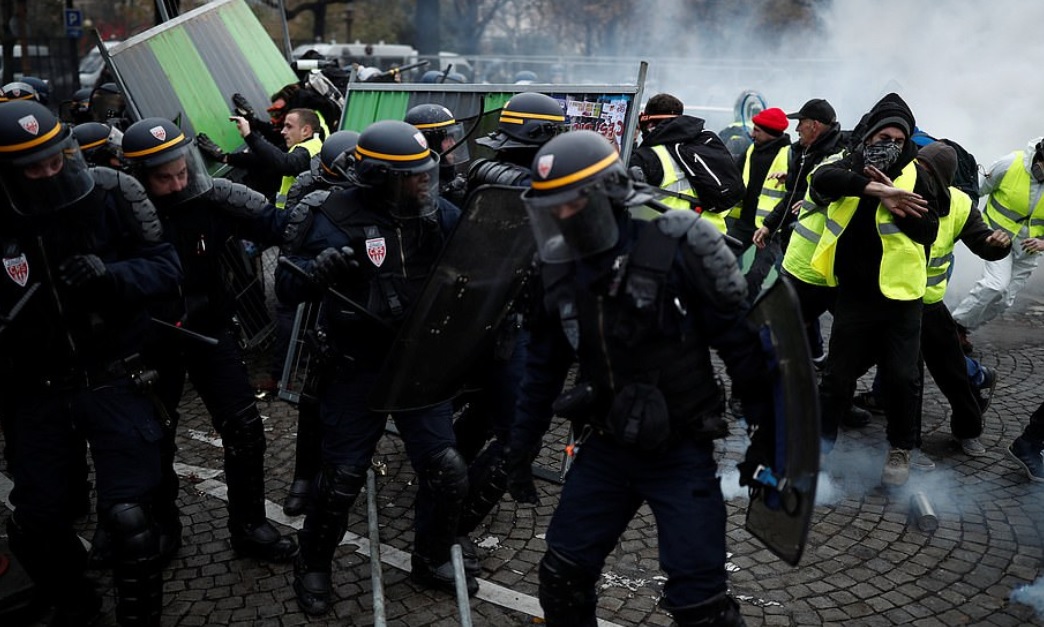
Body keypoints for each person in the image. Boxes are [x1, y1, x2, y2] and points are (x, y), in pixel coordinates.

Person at [519, 129, 773, 626]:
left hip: (681, 449)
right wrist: (520, 445)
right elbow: (542, 368)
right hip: (605, 444)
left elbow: (744, 348)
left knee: (701, 608)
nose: (562, 216)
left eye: (572, 203)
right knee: (562, 577)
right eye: (552, 207)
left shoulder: (676, 246)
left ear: (609, 193)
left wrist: (766, 436)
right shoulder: (556, 264)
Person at [277, 120, 472, 615]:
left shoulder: (438, 212)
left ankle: (430, 556)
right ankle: (312, 563)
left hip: (417, 364)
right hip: (356, 367)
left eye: (427, 172)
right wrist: (316, 272)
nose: (425, 181)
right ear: (380, 178)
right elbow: (286, 287)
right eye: (413, 176)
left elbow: (471, 266)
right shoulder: (329, 215)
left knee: (446, 469)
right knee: (341, 479)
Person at [0, 100, 182, 625]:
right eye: (34, 169)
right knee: (36, 520)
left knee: (130, 518)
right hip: (35, 385)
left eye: (55, 161)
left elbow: (165, 267)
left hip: (112, 373)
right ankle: (76, 603)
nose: (49, 174)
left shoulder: (111, 193)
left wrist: (112, 274)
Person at [120, 117, 298, 564]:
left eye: (183, 172)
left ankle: (249, 526)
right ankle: (163, 526)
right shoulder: (122, 217)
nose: (178, 184)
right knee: (156, 437)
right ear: (140, 178)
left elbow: (278, 227)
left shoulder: (208, 200)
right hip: (153, 340)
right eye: (165, 179)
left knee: (245, 429)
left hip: (210, 331)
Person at [808, 93, 940, 487]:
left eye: (900, 140)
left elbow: (930, 229)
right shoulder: (848, 163)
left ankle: (901, 448)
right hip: (856, 293)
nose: (892, 146)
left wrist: (902, 211)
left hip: (903, 295)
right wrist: (878, 191)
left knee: (902, 377)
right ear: (868, 135)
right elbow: (821, 182)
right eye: (885, 137)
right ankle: (819, 447)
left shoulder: (919, 174)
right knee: (837, 377)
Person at [854, 142, 1009, 460]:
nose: (917, 174)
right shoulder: (896, 191)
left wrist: (997, 245)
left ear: (940, 178)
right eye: (916, 167)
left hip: (930, 306)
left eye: (924, 170)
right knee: (900, 377)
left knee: (954, 374)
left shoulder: (960, 204)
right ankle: (907, 446)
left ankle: (968, 430)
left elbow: (982, 241)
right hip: (895, 304)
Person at [279, 128, 360, 517]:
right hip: (323, 307)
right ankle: (304, 476)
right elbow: (289, 261)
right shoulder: (312, 199)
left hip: (368, 308)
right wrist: (317, 270)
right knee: (314, 397)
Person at [752, 98, 845, 360]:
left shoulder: (839, 155)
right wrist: (769, 225)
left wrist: (815, 195)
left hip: (827, 260)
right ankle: (815, 360)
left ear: (815, 125)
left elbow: (843, 189)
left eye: (801, 123)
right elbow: (793, 195)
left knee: (843, 324)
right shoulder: (806, 153)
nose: (796, 129)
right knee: (796, 315)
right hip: (803, 257)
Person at [950, 137, 1044, 350]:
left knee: (1004, 300)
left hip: (1028, 251)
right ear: (1039, 157)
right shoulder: (1010, 163)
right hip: (996, 238)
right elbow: (975, 191)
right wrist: (970, 228)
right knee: (995, 285)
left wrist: (1042, 244)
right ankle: (951, 329)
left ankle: (962, 327)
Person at [628, 93, 744, 248]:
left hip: (669, 241)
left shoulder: (648, 156)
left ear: (647, 122)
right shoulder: (705, 143)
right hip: (713, 238)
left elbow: (624, 196)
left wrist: (630, 141)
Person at [198, 107, 325, 209]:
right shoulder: (306, 146)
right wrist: (225, 158)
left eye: (289, 126)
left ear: (305, 130)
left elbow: (283, 163)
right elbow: (265, 159)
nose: (283, 131)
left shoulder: (310, 150)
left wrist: (249, 135)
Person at [728, 106, 791, 264]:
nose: (752, 134)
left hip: (772, 230)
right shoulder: (750, 150)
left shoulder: (790, 155)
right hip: (744, 223)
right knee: (718, 262)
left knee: (756, 275)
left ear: (770, 133)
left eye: (757, 130)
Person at [405, 103, 470, 206]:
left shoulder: (453, 178)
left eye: (453, 137)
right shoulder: (416, 191)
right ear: (428, 143)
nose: (453, 144)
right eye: (447, 138)